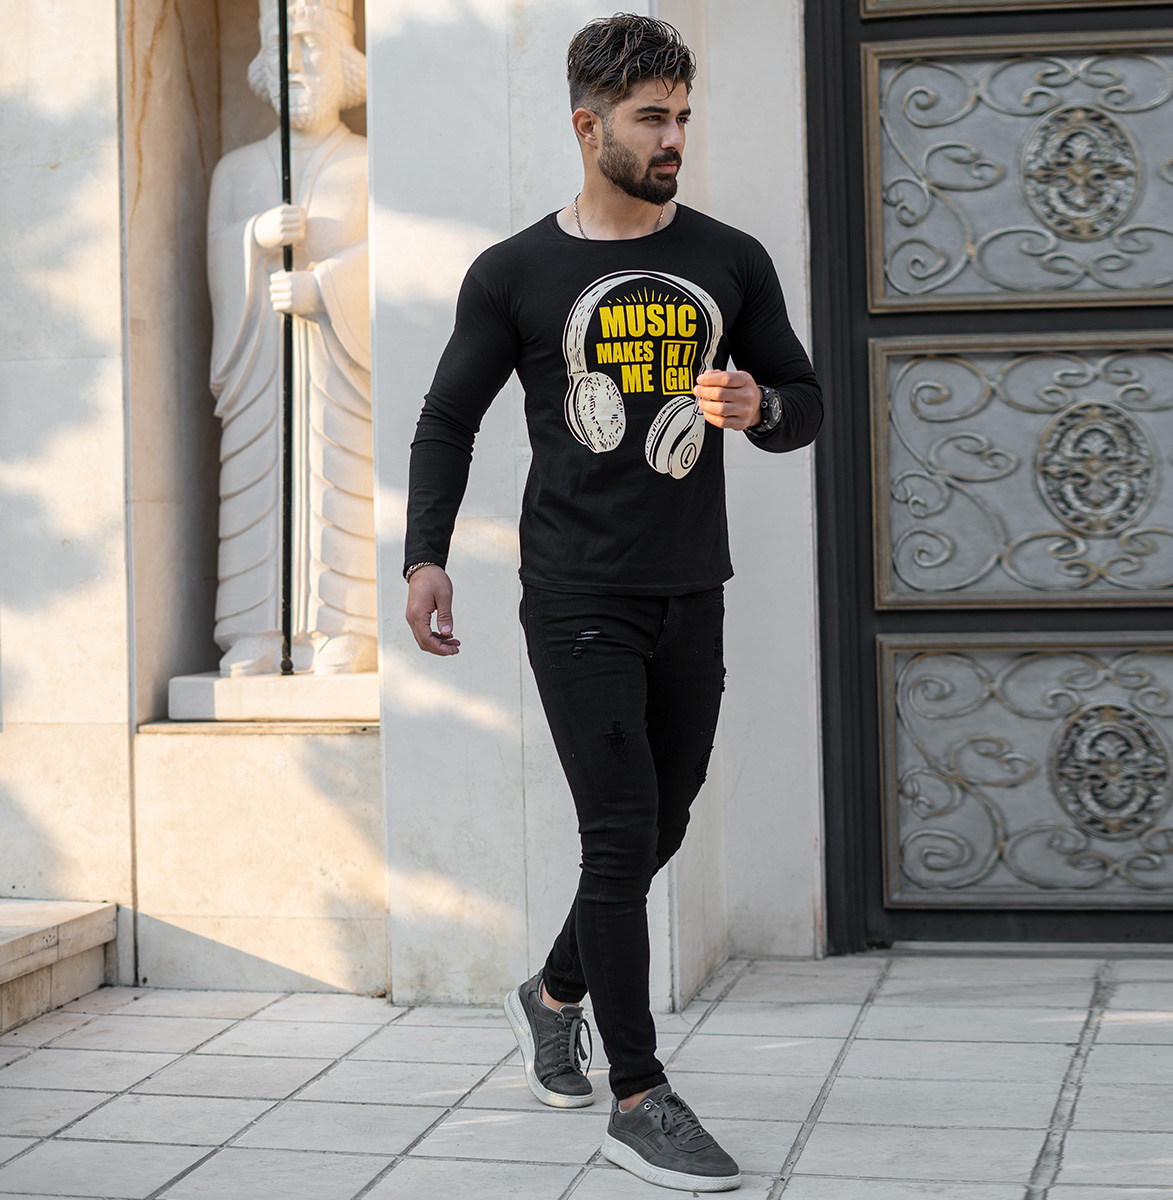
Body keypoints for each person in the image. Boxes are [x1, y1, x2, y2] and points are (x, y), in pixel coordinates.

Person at [404, 14, 822, 1192]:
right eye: (651, 118)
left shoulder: (731, 259)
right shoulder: (515, 273)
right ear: (589, 127)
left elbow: (803, 397)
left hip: (692, 585)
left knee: (663, 821)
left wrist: (760, 408)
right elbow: (447, 417)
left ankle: (553, 996)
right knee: (620, 827)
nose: (674, 137)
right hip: (577, 592)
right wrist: (426, 556)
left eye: (683, 115)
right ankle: (640, 1097)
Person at [207, 0, 376, 678]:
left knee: (339, 481)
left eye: (310, 43)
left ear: (345, 57)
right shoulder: (236, 171)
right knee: (257, 487)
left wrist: (326, 287)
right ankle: (256, 631)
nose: (295, 63)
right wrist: (250, 240)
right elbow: (214, 260)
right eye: (282, 45)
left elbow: (392, 260)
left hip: (341, 370)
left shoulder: (369, 163)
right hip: (262, 371)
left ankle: (345, 627)